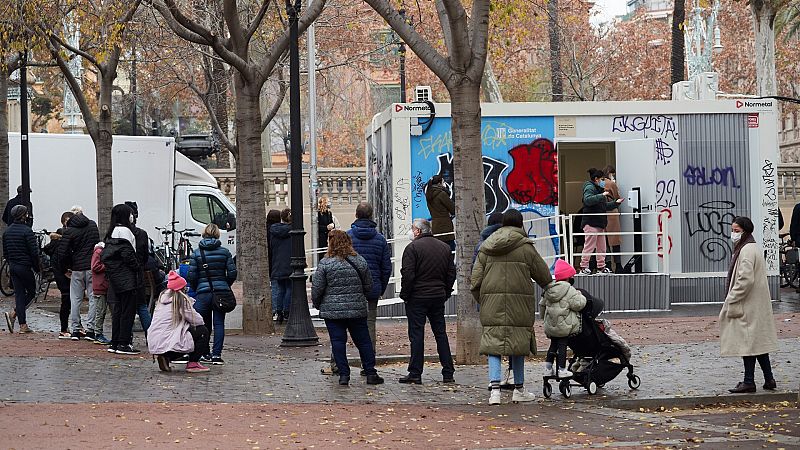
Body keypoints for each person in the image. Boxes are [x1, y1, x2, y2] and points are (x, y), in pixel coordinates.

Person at [470, 209, 553, 404]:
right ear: (520, 224)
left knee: (493, 345)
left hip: (492, 304)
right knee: (518, 344)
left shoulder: (485, 247)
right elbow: (545, 277)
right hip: (519, 305)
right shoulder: (526, 247)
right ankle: (519, 389)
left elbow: (475, 282)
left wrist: (485, 300)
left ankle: (495, 392)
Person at [312, 230, 384, 386]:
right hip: (356, 309)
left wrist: (318, 304)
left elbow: (317, 288)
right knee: (363, 341)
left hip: (332, 311)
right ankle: (371, 373)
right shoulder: (359, 260)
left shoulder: (325, 263)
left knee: (338, 342)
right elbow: (368, 285)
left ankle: (344, 375)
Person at [720, 216, 779, 393]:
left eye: (736, 231)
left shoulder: (745, 251)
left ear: (745, 231)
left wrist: (732, 298)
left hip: (747, 305)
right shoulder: (752, 247)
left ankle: (749, 382)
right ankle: (769, 379)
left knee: (747, 343)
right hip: (755, 304)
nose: (733, 234)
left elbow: (745, 279)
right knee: (757, 342)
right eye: (732, 230)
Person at [398, 218, 456, 384]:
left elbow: (408, 275)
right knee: (440, 333)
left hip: (417, 297)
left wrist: (405, 295)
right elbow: (451, 273)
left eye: (412, 229)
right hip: (437, 296)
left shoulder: (412, 248)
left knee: (417, 335)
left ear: (417, 231)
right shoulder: (444, 247)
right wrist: (445, 291)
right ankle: (448, 372)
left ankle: (415, 373)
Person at [187, 223, 237, 365]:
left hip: (203, 293)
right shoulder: (225, 252)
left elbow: (191, 276)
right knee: (219, 323)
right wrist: (225, 284)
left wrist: (198, 288)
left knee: (203, 324)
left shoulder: (196, 253)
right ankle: (217, 355)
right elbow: (232, 272)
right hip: (221, 292)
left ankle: (205, 353)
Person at [347, 201, 391, 355]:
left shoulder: (348, 237)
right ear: (371, 216)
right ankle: (369, 361)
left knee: (344, 324)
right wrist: (381, 287)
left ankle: (338, 362)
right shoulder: (380, 239)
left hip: (350, 288)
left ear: (356, 215)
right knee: (370, 324)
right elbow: (386, 268)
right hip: (372, 288)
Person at [148, 271, 211, 373]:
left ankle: (165, 357)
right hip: (169, 339)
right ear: (181, 289)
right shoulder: (180, 301)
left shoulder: (162, 299)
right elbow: (197, 320)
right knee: (202, 331)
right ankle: (193, 363)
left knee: (181, 335)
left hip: (155, 340)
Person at [101, 204, 142, 355]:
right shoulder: (124, 232)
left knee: (118, 310)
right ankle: (123, 342)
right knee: (127, 311)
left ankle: (116, 341)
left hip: (115, 276)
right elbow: (127, 253)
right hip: (126, 276)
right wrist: (136, 266)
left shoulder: (112, 231)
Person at [56, 206, 101, 341]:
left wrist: (65, 268)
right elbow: (97, 244)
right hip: (91, 267)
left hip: (76, 268)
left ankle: (75, 329)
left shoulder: (69, 231)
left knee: (75, 299)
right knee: (93, 298)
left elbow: (62, 252)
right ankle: (91, 329)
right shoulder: (92, 225)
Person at [540, 260, 587, 379]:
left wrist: (544, 319)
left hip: (551, 325)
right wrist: (580, 295)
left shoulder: (549, 289)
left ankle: (548, 369)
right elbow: (579, 305)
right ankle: (561, 369)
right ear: (568, 278)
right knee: (562, 346)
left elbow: (542, 305)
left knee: (552, 346)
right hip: (564, 326)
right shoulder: (569, 290)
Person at [3, 206, 39, 334]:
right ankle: (15, 313)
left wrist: (11, 261)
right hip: (25, 266)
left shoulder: (7, 232)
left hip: (13, 266)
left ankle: (23, 324)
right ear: (23, 215)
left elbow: (5, 252)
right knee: (31, 292)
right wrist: (37, 267)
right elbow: (34, 252)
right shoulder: (27, 231)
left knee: (19, 294)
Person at [579, 168, 622, 275]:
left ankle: (601, 267)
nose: (604, 181)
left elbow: (603, 206)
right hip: (591, 222)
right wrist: (601, 196)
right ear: (596, 179)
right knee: (589, 246)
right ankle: (583, 267)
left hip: (599, 223)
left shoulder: (599, 189)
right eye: (602, 179)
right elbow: (588, 200)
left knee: (601, 247)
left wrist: (615, 203)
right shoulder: (590, 188)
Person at [42, 211, 74, 339]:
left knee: (69, 300)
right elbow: (62, 258)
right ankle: (64, 328)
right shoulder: (64, 239)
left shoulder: (57, 241)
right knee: (67, 299)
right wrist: (66, 270)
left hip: (62, 273)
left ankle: (69, 327)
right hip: (64, 274)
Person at [125, 201, 151, 336]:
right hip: (139, 273)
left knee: (127, 308)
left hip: (125, 274)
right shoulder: (142, 234)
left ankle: (126, 338)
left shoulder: (122, 233)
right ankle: (151, 336)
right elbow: (146, 255)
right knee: (142, 307)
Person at [269, 208, 293, 323]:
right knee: (289, 288)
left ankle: (279, 312)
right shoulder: (292, 231)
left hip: (277, 263)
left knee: (281, 289)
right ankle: (286, 310)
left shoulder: (274, 230)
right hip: (289, 263)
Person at [425, 175, 456, 252]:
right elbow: (453, 209)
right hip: (445, 226)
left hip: (435, 226)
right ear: (440, 183)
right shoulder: (441, 194)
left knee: (439, 250)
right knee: (450, 249)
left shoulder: (429, 195)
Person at [602, 166, 623, 273]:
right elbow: (617, 196)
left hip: (601, 213)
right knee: (615, 241)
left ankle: (607, 265)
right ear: (610, 173)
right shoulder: (611, 183)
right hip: (612, 213)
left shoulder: (599, 183)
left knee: (603, 241)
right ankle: (618, 265)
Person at [90, 240, 111, 345]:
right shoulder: (99, 252)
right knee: (100, 311)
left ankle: (98, 333)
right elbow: (95, 267)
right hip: (100, 286)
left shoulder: (99, 251)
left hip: (102, 285)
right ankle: (98, 334)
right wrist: (107, 266)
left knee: (101, 311)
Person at [317, 196, 339, 261]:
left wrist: (333, 225)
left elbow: (332, 222)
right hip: (322, 237)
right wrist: (326, 228)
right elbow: (318, 226)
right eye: (328, 202)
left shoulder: (329, 213)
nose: (329, 203)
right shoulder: (318, 214)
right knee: (322, 253)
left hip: (328, 236)